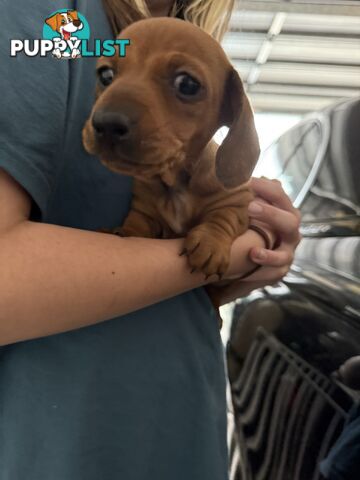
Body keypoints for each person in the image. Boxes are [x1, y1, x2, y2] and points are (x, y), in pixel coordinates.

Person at [0, 0, 301, 479]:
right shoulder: (50, 15)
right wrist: (230, 255)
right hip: (67, 434)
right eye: (106, 77)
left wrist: (246, 259)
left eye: (185, 86)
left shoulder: (174, 34)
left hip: (182, 415)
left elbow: (189, 291)